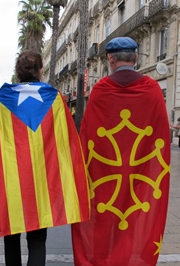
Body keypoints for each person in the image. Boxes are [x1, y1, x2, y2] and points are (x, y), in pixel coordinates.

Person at [0, 50, 90, 266]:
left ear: (18, 72)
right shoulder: (55, 98)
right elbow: (67, 140)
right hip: (41, 181)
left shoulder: (3, 97)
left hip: (11, 179)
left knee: (11, 233)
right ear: (40, 70)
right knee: (38, 238)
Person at [71, 37, 171, 265]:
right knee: (136, 218)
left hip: (105, 176)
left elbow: (88, 139)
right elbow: (160, 137)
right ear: (136, 58)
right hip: (141, 175)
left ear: (110, 59)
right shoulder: (153, 90)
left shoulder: (99, 91)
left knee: (105, 220)